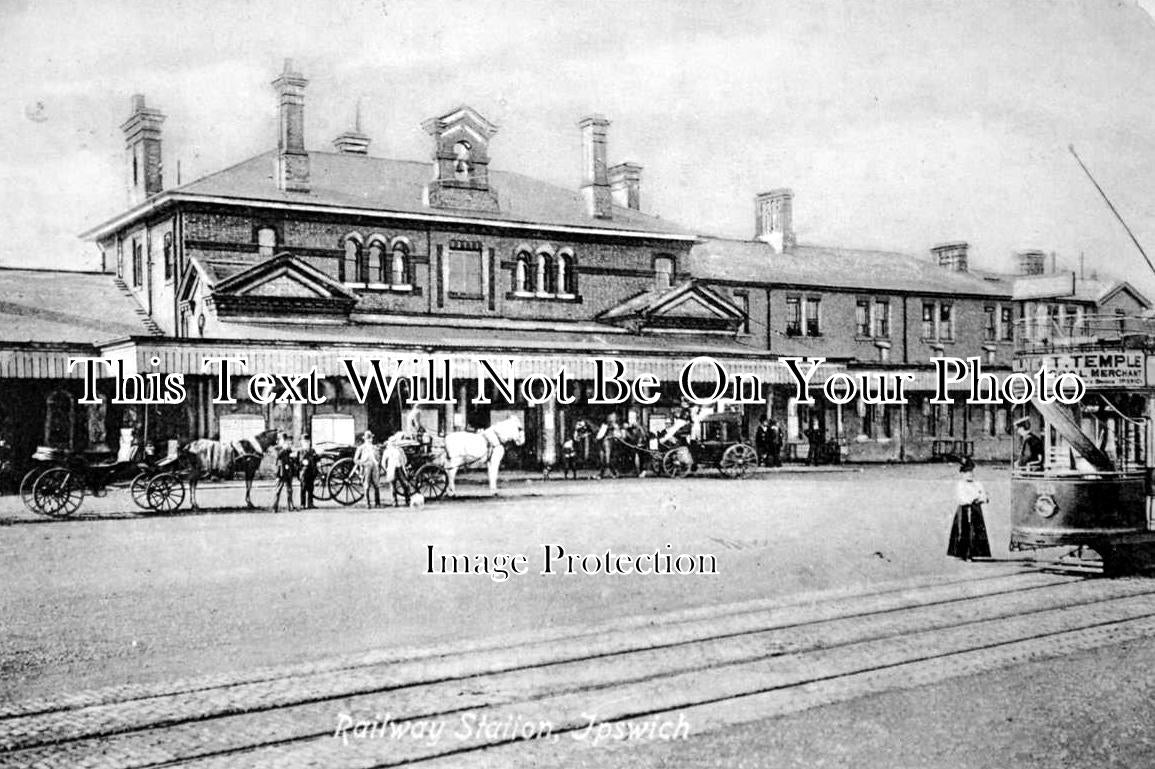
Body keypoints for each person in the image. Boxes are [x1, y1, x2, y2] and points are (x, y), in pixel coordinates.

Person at [948, 457, 991, 561]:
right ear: (962, 474)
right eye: (967, 472)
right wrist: (974, 498)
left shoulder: (977, 484)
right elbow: (962, 498)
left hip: (975, 510)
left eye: (971, 471)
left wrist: (981, 498)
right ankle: (963, 553)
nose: (970, 474)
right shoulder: (961, 484)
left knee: (975, 531)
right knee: (964, 531)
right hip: (964, 510)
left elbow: (984, 496)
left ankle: (972, 553)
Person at [380, 434, 412, 507]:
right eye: (392, 442)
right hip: (391, 469)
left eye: (394, 441)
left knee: (405, 485)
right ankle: (394, 502)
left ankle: (408, 500)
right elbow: (383, 462)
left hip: (400, 468)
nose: (393, 443)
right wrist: (386, 469)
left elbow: (404, 459)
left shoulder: (400, 450)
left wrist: (403, 464)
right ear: (389, 443)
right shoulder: (387, 451)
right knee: (393, 486)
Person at [354, 430, 381, 508]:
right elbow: (355, 460)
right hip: (366, 467)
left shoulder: (375, 448)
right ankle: (367, 503)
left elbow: (378, 458)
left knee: (376, 484)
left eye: (370, 438)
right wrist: (362, 463)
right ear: (364, 439)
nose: (369, 439)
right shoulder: (361, 448)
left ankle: (377, 503)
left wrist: (377, 463)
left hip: (374, 467)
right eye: (367, 438)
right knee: (366, 485)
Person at [271, 432, 297, 513]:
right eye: (283, 440)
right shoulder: (276, 449)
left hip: (288, 472)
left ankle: (290, 506)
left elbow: (292, 457)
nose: (284, 442)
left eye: (285, 440)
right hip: (280, 472)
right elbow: (277, 457)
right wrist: (284, 449)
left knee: (289, 490)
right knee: (278, 490)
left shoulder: (287, 449)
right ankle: (274, 507)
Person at [297, 433, 319, 509]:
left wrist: (317, 462)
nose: (306, 443)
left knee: (311, 488)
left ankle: (310, 503)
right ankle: (302, 504)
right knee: (303, 488)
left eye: (307, 442)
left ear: (309, 442)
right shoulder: (300, 451)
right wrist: (303, 463)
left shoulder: (312, 450)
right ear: (302, 443)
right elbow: (298, 461)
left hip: (311, 472)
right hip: (304, 472)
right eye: (304, 442)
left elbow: (317, 458)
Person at [596, 413, 619, 479]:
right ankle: (610, 473)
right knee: (604, 459)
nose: (610, 420)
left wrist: (612, 436)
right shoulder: (604, 426)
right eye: (609, 418)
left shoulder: (615, 426)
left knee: (607, 459)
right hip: (603, 443)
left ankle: (605, 473)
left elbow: (618, 435)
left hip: (611, 443)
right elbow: (600, 435)